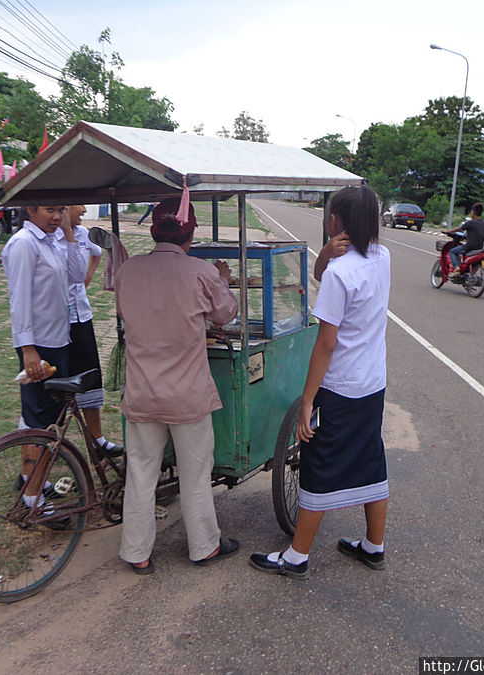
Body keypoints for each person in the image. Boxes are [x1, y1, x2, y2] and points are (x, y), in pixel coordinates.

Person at [250, 184, 391, 580]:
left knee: (319, 463)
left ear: (334, 220)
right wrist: (326, 254)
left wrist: (308, 400)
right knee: (370, 457)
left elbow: (326, 345)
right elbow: (322, 274)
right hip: (372, 381)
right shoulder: (382, 256)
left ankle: (296, 556)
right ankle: (373, 545)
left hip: (342, 384)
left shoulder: (343, 275)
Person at [115, 197, 239, 574]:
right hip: (187, 396)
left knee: (140, 473)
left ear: (154, 231)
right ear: (190, 232)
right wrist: (224, 280)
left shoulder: (128, 271)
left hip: (142, 393)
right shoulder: (202, 272)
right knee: (196, 473)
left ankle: (137, 553)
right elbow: (225, 314)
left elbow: (126, 314)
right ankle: (204, 546)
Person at [1, 204, 87, 508]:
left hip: (58, 339)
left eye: (60, 209)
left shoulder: (53, 240)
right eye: (50, 210)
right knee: (39, 421)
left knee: (45, 419)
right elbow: (19, 299)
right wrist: (27, 349)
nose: (56, 216)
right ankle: (32, 499)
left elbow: (78, 276)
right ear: (30, 210)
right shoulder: (24, 245)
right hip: (38, 345)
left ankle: (32, 480)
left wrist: (68, 234)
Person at [64, 204, 122, 456]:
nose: (85, 209)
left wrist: (86, 279)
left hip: (82, 317)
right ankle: (47, 442)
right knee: (60, 385)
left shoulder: (83, 234)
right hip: (57, 321)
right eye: (80, 205)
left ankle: (97, 440)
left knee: (90, 378)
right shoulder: (53, 237)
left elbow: (97, 252)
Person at [445, 202, 484, 279]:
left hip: (469, 247)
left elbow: (458, 229)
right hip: (479, 249)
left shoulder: (470, 223)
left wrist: (448, 231)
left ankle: (456, 268)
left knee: (453, 251)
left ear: (473, 212)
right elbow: (482, 233)